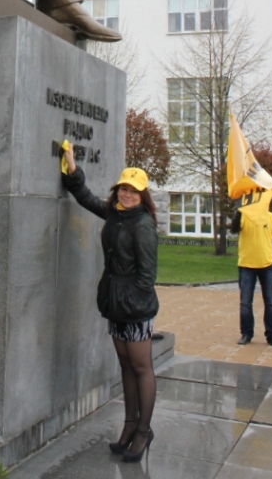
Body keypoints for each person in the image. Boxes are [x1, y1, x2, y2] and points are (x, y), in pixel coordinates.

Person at [62, 148, 159, 463]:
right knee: (125, 366)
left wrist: (130, 303)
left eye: (134, 191)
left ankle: (143, 431)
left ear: (143, 195)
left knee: (142, 367)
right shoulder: (115, 213)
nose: (127, 194)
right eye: (124, 188)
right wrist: (73, 170)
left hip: (134, 306)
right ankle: (130, 425)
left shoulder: (143, 224)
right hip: (116, 301)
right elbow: (86, 198)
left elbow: (148, 275)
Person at [230, 192, 272, 348]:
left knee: (271, 303)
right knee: (246, 303)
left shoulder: (271, 217)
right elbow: (234, 229)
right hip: (247, 265)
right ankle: (246, 334)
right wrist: (238, 212)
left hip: (267, 266)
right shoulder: (244, 216)